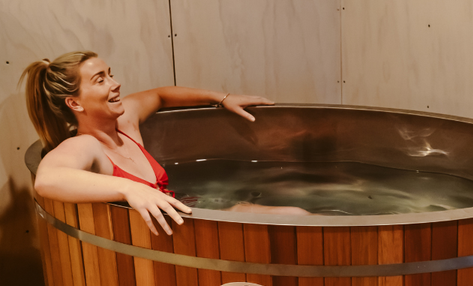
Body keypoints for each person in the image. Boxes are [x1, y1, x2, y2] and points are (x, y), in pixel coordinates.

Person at [21, 51, 306, 236]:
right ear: (74, 103)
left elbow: (160, 96)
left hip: (188, 215)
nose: (115, 84)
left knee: (297, 214)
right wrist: (128, 188)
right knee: (293, 221)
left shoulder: (125, 122)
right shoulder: (85, 145)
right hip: (170, 239)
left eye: (110, 74)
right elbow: (47, 180)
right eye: (100, 80)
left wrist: (222, 98)